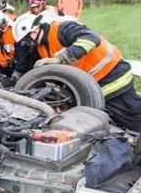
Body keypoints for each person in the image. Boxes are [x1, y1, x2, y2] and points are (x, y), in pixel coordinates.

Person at [13, 13, 141, 132]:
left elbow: (92, 38)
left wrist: (62, 58)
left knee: (130, 116)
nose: (27, 44)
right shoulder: (41, 46)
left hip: (113, 75)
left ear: (34, 31)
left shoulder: (62, 29)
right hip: (94, 85)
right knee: (110, 118)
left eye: (26, 40)